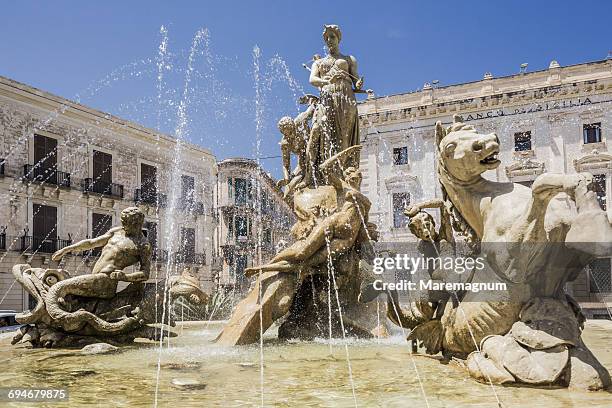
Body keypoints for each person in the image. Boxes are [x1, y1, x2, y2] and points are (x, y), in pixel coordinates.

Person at [307, 25, 363, 175]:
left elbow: (356, 79)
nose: (329, 40)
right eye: (327, 38)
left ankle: (345, 171)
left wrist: (358, 83)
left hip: (346, 97)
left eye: (332, 37)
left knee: (345, 133)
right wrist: (326, 82)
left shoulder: (349, 59)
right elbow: (312, 79)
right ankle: (329, 172)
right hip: (327, 98)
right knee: (326, 132)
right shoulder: (318, 63)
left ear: (338, 38)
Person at [52, 206, 151, 282]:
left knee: (60, 286)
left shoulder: (143, 245)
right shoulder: (116, 231)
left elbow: (145, 273)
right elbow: (92, 243)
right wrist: (66, 249)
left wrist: (125, 277)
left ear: (137, 224)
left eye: (126, 223)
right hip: (94, 276)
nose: (123, 226)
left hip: (105, 281)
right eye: (123, 222)